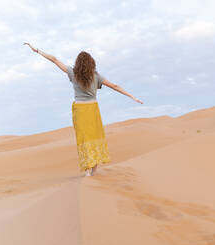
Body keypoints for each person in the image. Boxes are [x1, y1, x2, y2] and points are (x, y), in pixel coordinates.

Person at [23, 43, 143, 177]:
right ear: (92, 63)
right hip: (92, 109)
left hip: (79, 109)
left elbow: (54, 59)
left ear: (78, 63)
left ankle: (87, 170)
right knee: (94, 138)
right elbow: (114, 86)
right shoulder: (96, 76)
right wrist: (132, 96)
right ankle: (94, 171)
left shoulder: (73, 73)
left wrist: (37, 50)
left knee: (83, 139)